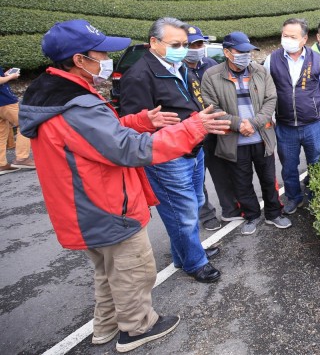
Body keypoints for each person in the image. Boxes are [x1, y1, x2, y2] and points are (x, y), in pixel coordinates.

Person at [17, 19, 229, 352]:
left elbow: (101, 136)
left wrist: (141, 121)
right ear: (79, 59)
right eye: (100, 53)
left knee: (107, 273)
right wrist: (192, 129)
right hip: (105, 204)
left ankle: (105, 327)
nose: (106, 59)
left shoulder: (60, 94)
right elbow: (130, 149)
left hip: (85, 204)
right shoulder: (77, 105)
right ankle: (137, 327)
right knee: (135, 270)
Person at [119, 17, 222, 284]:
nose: (182, 49)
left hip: (193, 149)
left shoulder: (179, 66)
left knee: (193, 204)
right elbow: (135, 127)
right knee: (182, 212)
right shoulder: (139, 75)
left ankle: (188, 253)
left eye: (184, 44)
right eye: (175, 44)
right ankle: (195, 262)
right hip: (167, 157)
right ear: (154, 42)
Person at [201, 32, 291, 235]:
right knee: (242, 182)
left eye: (248, 52)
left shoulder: (260, 71)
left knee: (269, 179)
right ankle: (251, 216)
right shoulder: (212, 75)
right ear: (227, 52)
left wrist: (253, 123)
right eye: (240, 52)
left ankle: (274, 214)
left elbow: (271, 100)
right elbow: (211, 107)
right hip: (234, 140)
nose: (246, 55)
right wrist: (237, 123)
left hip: (261, 137)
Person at [264, 18, 320, 215]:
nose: (287, 40)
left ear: (304, 39)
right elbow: (266, 91)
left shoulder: (317, 59)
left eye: (292, 36)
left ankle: (316, 197)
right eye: (284, 36)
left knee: (317, 162)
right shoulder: (272, 59)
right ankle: (294, 198)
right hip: (285, 126)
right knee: (288, 166)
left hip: (313, 124)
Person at [182, 25, 234, 231]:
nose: (197, 48)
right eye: (191, 44)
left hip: (215, 129)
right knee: (197, 177)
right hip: (192, 132)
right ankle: (206, 214)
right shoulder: (177, 70)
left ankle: (230, 208)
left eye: (199, 43)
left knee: (222, 171)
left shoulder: (210, 65)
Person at [0, 66, 33, 174]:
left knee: (1, 133)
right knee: (25, 123)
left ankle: (1, 164)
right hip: (5, 101)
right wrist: (11, 77)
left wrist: (5, 75)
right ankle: (22, 158)